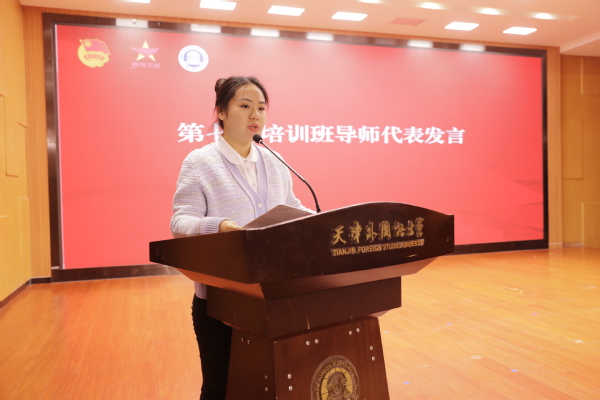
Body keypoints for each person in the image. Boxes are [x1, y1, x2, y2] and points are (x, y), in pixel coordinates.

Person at [170, 76, 313, 400]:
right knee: (221, 388)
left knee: (270, 384)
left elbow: (291, 207)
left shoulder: (274, 162)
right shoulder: (200, 162)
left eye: (261, 108)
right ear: (221, 112)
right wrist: (219, 226)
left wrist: (320, 222)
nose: (255, 115)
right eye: (245, 106)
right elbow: (180, 222)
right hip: (220, 301)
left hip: (274, 295)